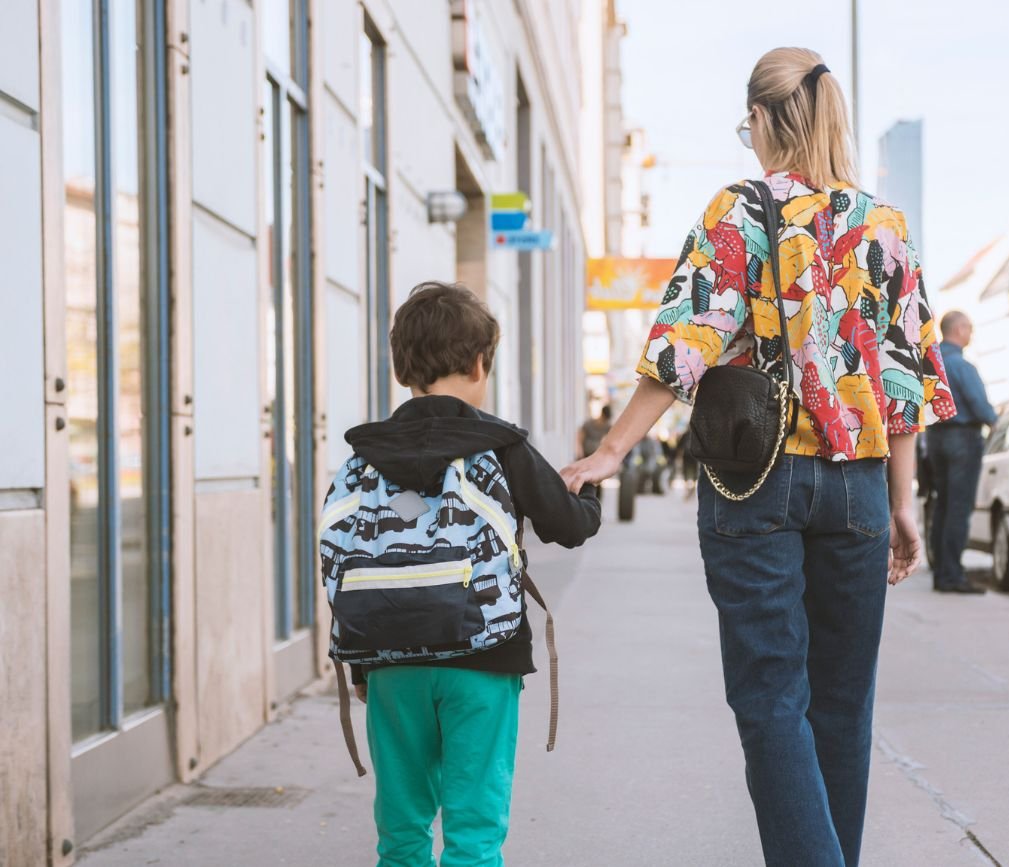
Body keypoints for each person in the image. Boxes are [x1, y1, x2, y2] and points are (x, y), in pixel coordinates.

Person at [561, 48, 955, 867]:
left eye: (750, 126)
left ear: (769, 120)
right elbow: (907, 381)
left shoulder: (737, 211)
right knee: (844, 708)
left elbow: (683, 345)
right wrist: (906, 504)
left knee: (773, 699)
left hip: (755, 484)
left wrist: (609, 450)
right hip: (859, 490)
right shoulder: (884, 226)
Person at [343, 282, 601, 867]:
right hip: (484, 659)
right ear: (481, 362)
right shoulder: (499, 445)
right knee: (475, 832)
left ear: (402, 365)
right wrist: (589, 491)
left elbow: (355, 557)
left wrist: (361, 663)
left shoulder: (364, 456)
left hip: (390, 664)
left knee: (402, 831)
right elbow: (569, 526)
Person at [928, 310, 998, 594]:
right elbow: (979, 405)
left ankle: (940, 570)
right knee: (958, 507)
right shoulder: (962, 366)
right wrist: (994, 422)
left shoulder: (931, 362)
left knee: (943, 504)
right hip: (963, 439)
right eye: (969, 328)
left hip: (935, 438)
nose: (971, 333)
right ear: (958, 330)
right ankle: (951, 575)